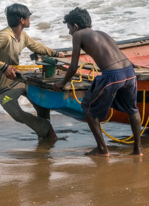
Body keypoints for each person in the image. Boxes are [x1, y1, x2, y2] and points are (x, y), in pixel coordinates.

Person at [52, 8, 142, 157]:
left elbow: (73, 67)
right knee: (132, 109)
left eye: (69, 28)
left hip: (112, 74)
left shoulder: (78, 35)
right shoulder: (102, 33)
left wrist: (62, 83)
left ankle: (102, 149)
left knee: (87, 107)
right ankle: (138, 150)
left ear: (75, 26)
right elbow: (119, 53)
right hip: (129, 71)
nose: (69, 32)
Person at [0, 4, 60, 140]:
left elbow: (36, 46)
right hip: (4, 88)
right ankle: (45, 128)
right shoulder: (4, 37)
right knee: (17, 114)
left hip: (20, 81)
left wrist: (56, 54)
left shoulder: (22, 35)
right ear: (22, 20)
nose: (30, 20)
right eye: (28, 17)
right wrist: (3, 67)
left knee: (41, 103)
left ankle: (45, 135)